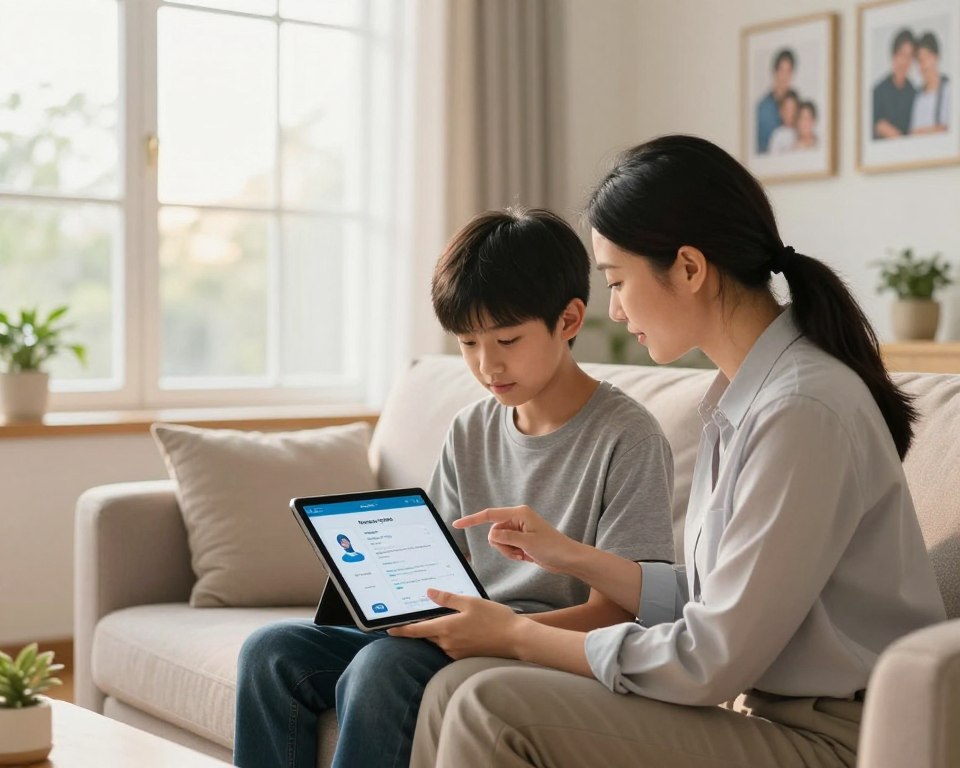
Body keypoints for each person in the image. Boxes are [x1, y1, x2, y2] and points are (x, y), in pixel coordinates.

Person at [391, 135, 947, 768]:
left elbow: (708, 658)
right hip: (773, 714)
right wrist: (574, 558)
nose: (616, 311)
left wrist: (518, 635)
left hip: (843, 740)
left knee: (486, 703)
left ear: (688, 268)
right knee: (455, 692)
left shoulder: (800, 412)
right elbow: (719, 595)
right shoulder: (745, 397)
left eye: (618, 281)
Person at [232, 207, 676, 768]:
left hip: (541, 649)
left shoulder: (627, 436)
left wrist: (502, 630)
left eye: (508, 339)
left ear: (568, 320)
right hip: (461, 630)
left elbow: (617, 615)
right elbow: (440, 559)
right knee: (271, 652)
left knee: (382, 667)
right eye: (468, 344)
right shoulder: (473, 427)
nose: (488, 364)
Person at [873, 28, 917, 139]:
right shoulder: (878, 91)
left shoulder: (914, 93)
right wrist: (880, 127)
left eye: (909, 57)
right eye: (901, 54)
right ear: (893, 56)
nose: (905, 61)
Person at [910, 31, 950, 135]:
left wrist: (924, 132)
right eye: (920, 60)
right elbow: (913, 133)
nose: (923, 65)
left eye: (927, 57)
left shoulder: (950, 90)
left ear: (937, 57)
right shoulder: (917, 98)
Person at [756, 48, 795, 153]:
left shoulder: (797, 103)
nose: (784, 77)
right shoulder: (763, 108)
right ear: (775, 72)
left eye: (788, 71)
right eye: (781, 70)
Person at [767, 89, 800, 154]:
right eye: (787, 109)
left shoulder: (802, 130)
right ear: (780, 112)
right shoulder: (777, 135)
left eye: (793, 109)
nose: (790, 113)